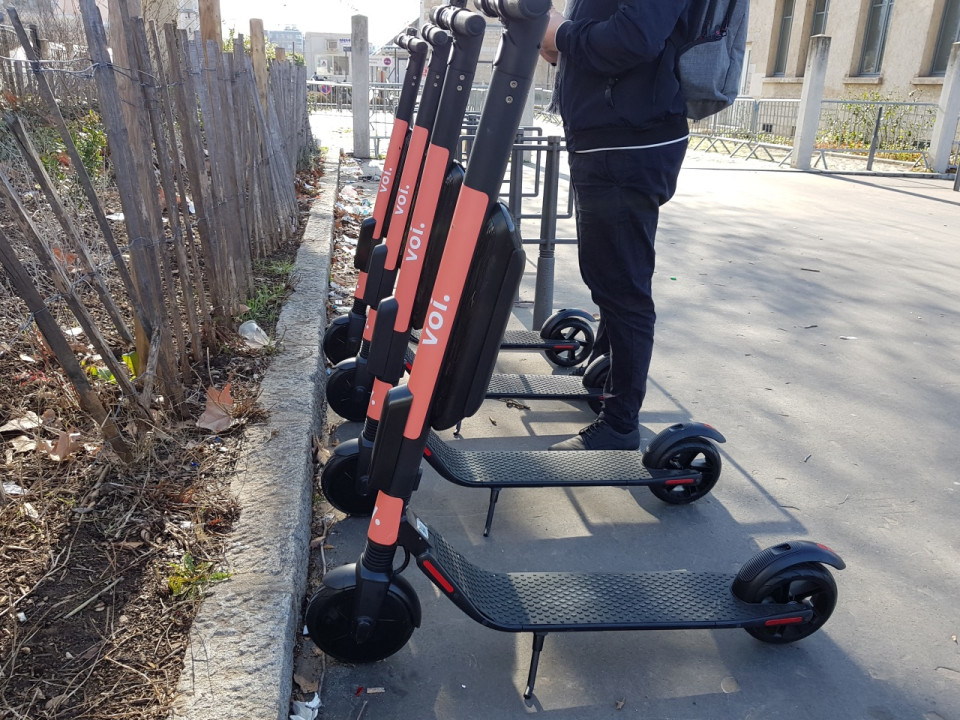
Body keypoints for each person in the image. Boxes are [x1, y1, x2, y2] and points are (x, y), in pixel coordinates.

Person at [541, 0, 693, 451]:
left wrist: (562, 33)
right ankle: (607, 377)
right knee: (610, 278)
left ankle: (620, 424)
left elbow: (636, 37)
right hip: (609, 140)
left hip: (627, 145)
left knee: (622, 286)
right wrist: (558, 43)